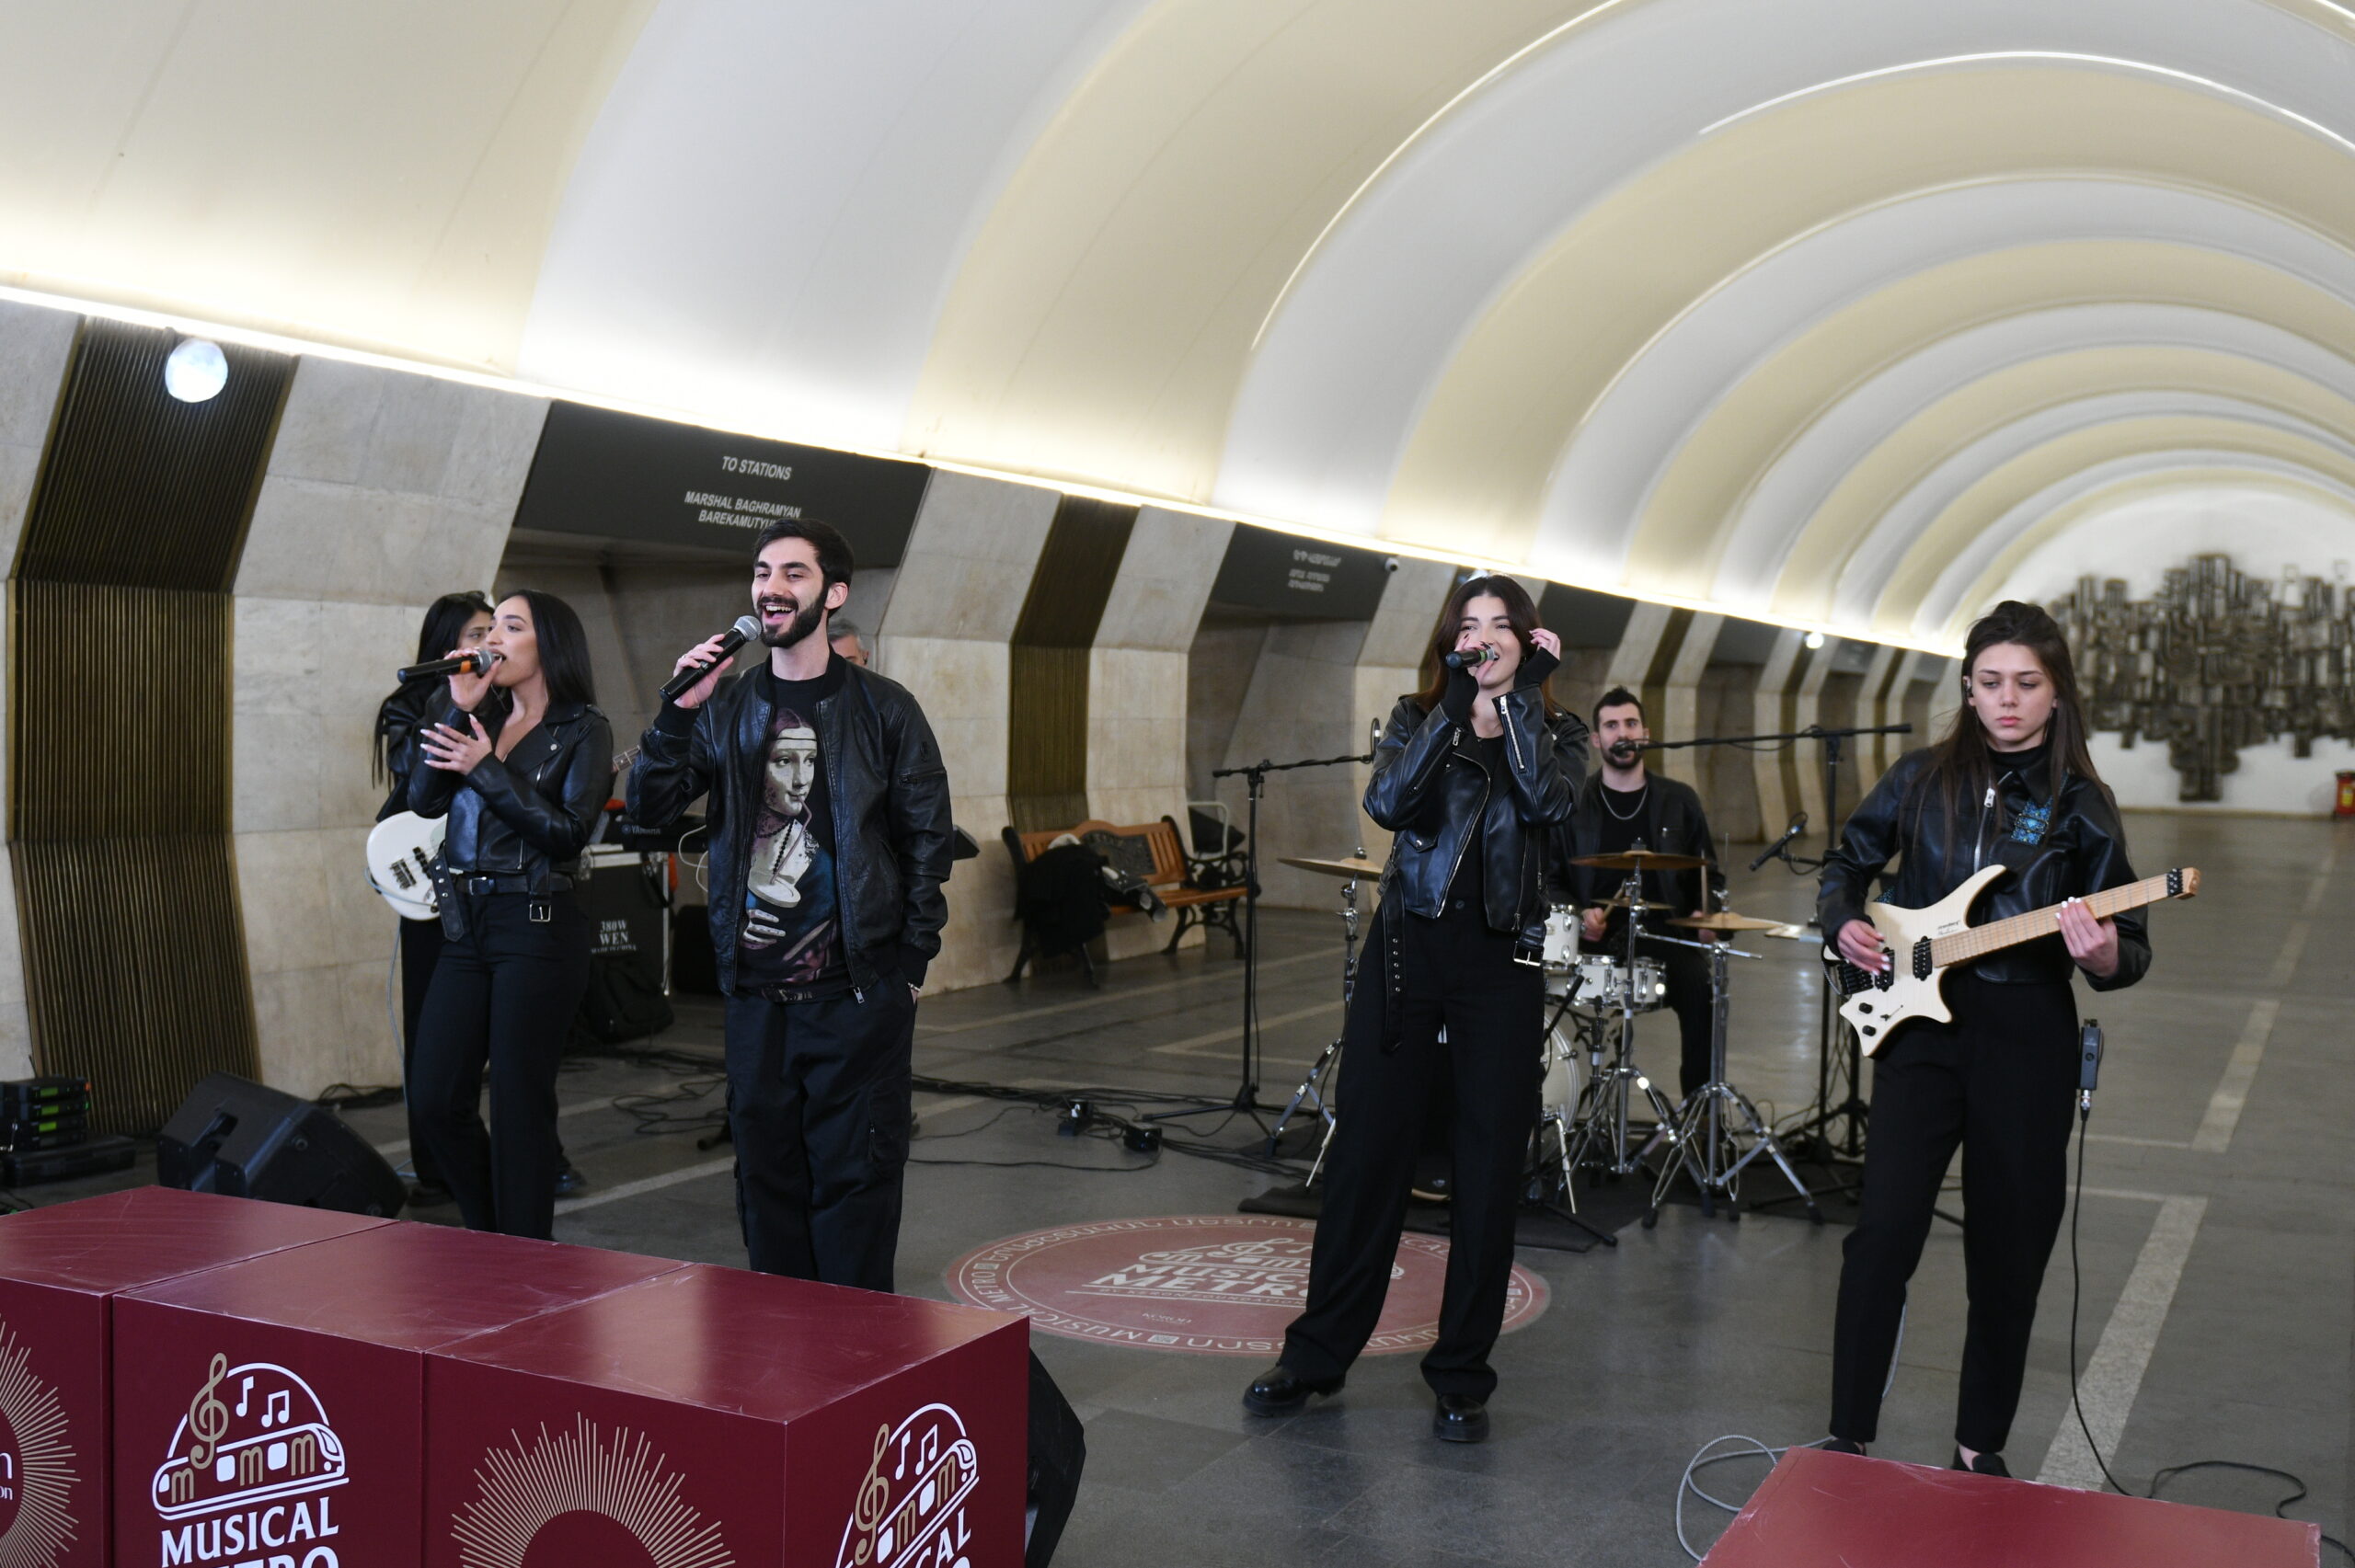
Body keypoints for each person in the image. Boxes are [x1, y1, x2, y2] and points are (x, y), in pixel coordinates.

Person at [1244, 574, 1585, 1443]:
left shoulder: (1559, 731)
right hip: (1406, 955)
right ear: (1450, 643)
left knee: (1487, 1170)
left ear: (1528, 641)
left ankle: (1462, 1374)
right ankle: (1317, 1354)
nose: (1484, 637)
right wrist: (1456, 709)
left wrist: (1521, 706)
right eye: (1469, 626)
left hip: (1501, 966)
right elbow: (1389, 804)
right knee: (1366, 1156)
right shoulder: (1414, 716)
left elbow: (1548, 805)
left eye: (1501, 625)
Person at [1818, 600, 2149, 1476]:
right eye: (1991, 682)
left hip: (2026, 1035)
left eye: (2026, 683)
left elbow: (2130, 946)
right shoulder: (1919, 778)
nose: (2008, 699)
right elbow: (1847, 861)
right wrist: (1843, 919)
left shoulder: (2083, 805)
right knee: (1883, 1232)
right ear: (1968, 688)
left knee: (2009, 1248)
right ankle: (1847, 1433)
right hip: (1919, 1029)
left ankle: (1979, 1446)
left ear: (2056, 693)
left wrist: (2104, 955)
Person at [628, 519, 954, 1290]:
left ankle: (856, 1345)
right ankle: (783, 1343)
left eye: (793, 573)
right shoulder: (726, 705)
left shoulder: (885, 708)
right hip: (756, 998)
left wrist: (909, 965)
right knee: (766, 1184)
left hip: (856, 995)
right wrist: (678, 712)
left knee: (856, 1184)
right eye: (762, 571)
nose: (770, 588)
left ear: (833, 594)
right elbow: (647, 809)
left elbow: (927, 838)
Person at [408, 590, 613, 1239]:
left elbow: (568, 832)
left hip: (538, 923)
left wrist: (488, 770)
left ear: (548, 644)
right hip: (467, 923)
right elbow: (423, 798)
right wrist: (458, 706)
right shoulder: (481, 716)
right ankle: (494, 1231)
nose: (492, 638)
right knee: (435, 1097)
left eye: (511, 626)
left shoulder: (584, 729)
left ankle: (523, 1249)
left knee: (520, 1104)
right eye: (491, 626)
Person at [374, 591, 494, 1206]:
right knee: (428, 1022)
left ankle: (513, 1157)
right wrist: (449, 699)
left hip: (488, 876)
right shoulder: (411, 702)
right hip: (431, 883)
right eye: (476, 632)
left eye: (493, 630)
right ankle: (435, 1164)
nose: (486, 643)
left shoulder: (502, 695)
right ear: (446, 641)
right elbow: (416, 775)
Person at [1560, 687, 1726, 1099]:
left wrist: (1706, 914)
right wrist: (1578, 913)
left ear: (1646, 734)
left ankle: (1699, 1110)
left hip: (1663, 933)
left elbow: (1710, 876)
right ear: (1596, 739)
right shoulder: (1574, 803)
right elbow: (1548, 878)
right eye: (1611, 725)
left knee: (1701, 988)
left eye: (1631, 723)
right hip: (1592, 937)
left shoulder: (1679, 800)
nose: (1623, 733)